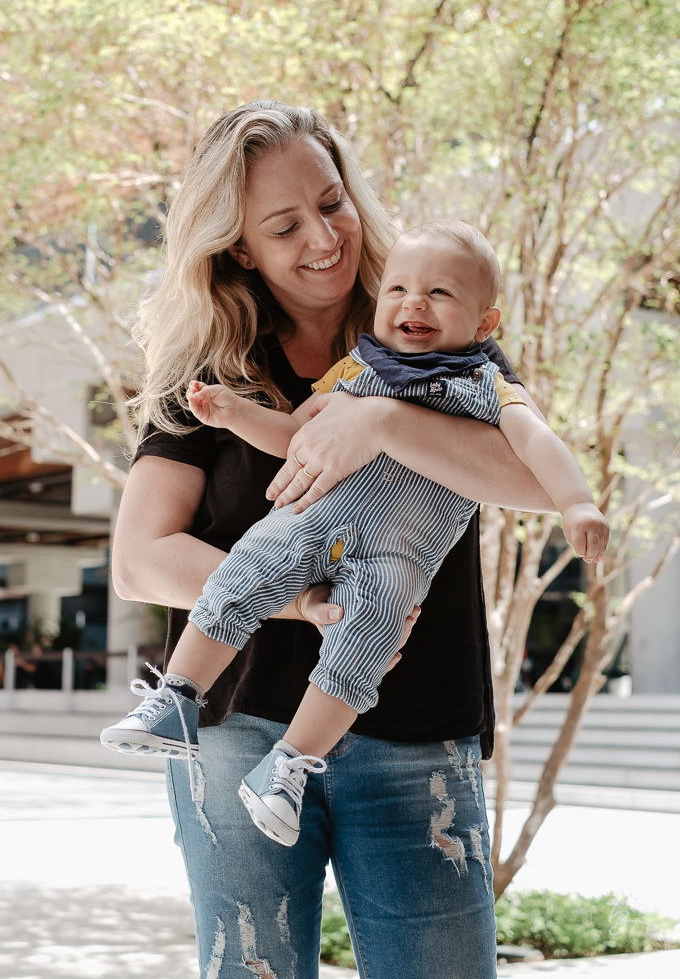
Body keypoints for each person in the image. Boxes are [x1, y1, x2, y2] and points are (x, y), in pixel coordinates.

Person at [109, 100, 559, 979]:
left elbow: (542, 480)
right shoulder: (209, 369)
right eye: (284, 226)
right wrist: (313, 605)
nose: (325, 236)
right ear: (240, 247)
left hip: (420, 732)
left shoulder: (433, 329)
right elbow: (140, 559)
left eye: (332, 201)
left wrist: (381, 423)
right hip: (237, 728)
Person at [101, 221, 608, 849]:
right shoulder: (357, 367)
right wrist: (236, 415)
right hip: (312, 522)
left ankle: (288, 766)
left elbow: (539, 447)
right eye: (398, 288)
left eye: (440, 294)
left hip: (395, 558)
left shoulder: (486, 384)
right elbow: (298, 439)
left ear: (484, 324)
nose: (414, 303)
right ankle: (178, 695)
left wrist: (577, 503)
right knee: (241, 577)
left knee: (362, 648)